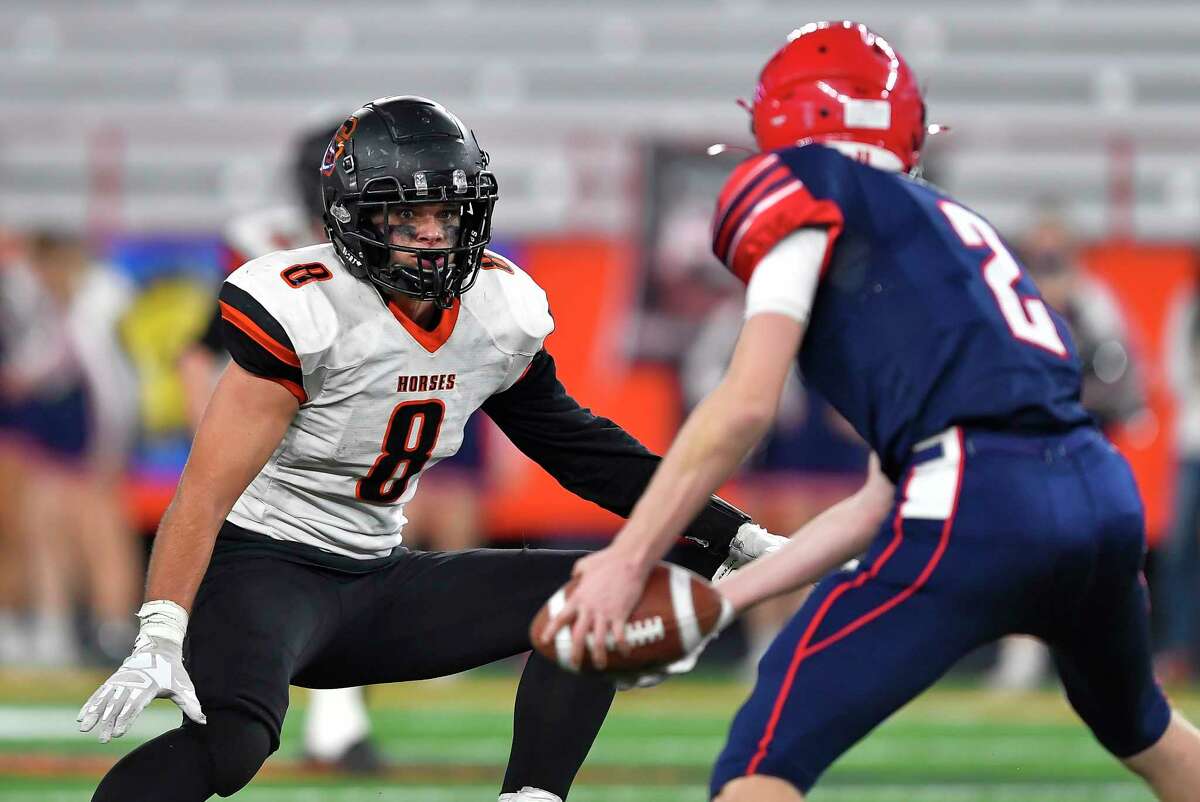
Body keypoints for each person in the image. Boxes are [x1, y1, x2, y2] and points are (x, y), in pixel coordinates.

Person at [546, 22, 1200, 802]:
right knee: (1147, 732)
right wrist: (722, 602)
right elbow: (878, 502)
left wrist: (627, 560)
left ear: (782, 121)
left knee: (760, 764)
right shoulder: (955, 229)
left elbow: (744, 406)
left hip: (980, 499)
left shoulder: (805, 186)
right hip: (1099, 497)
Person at [78, 95, 782, 802]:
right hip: (264, 570)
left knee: (598, 593)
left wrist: (732, 532)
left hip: (379, 575)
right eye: (404, 214)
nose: (430, 234)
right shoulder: (306, 305)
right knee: (233, 742)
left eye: (446, 213)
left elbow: (579, 447)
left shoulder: (493, 310)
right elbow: (203, 492)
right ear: (354, 217)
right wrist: (161, 630)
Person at [178, 121, 391, 773]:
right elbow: (198, 352)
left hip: (333, 430)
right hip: (263, 422)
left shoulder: (385, 241)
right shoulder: (258, 240)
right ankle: (306, 721)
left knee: (337, 567)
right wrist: (212, 447)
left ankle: (331, 723)